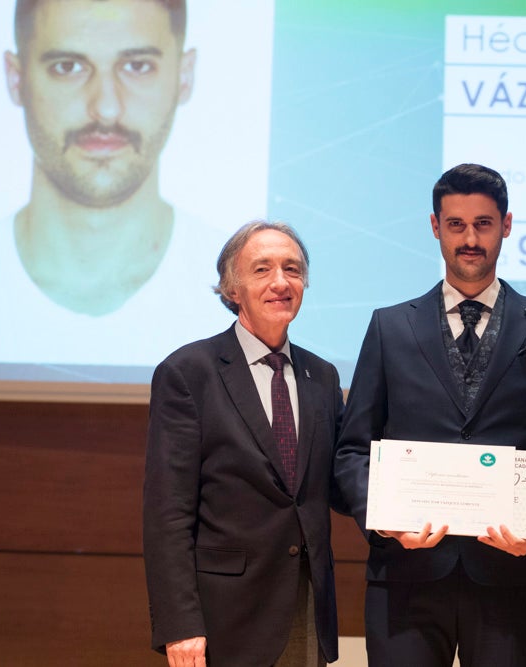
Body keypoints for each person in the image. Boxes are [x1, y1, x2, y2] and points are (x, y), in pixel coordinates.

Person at [333, 163, 526, 667]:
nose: (470, 238)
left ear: (507, 225)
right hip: (406, 576)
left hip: (511, 578)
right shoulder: (390, 327)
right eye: (456, 224)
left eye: (483, 223)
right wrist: (384, 522)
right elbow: (352, 450)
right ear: (435, 227)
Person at [0, 0, 231, 371]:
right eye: (67, 67)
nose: (106, 108)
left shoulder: (245, 300)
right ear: (15, 78)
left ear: (184, 75)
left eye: (137, 67)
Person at [143, 222, 345, 666]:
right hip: (224, 618)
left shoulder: (323, 376)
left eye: (292, 269)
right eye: (262, 269)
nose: (280, 282)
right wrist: (180, 624)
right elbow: (168, 513)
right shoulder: (189, 372)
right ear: (233, 288)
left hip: (306, 604)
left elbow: (340, 481)